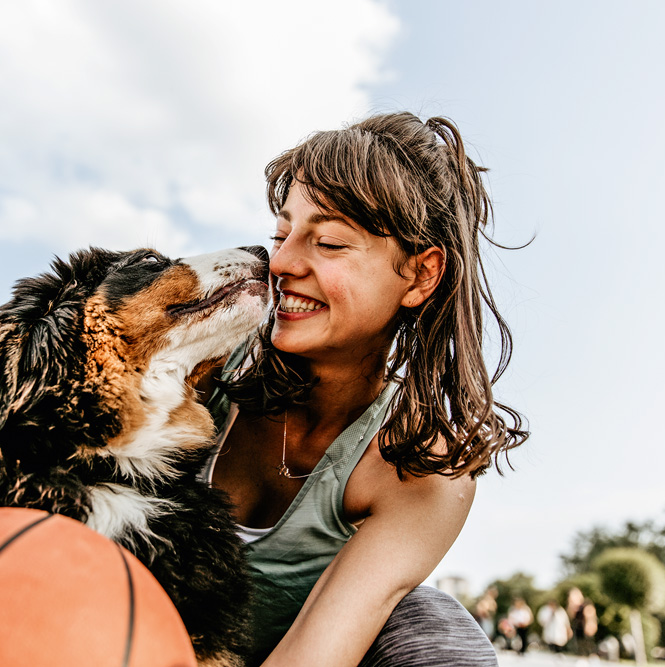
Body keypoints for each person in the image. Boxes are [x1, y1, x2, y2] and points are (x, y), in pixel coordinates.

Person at [201, 112, 528, 666]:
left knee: (433, 625)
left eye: (327, 242)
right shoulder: (204, 356)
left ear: (420, 276)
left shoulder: (422, 470)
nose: (279, 262)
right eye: (281, 234)